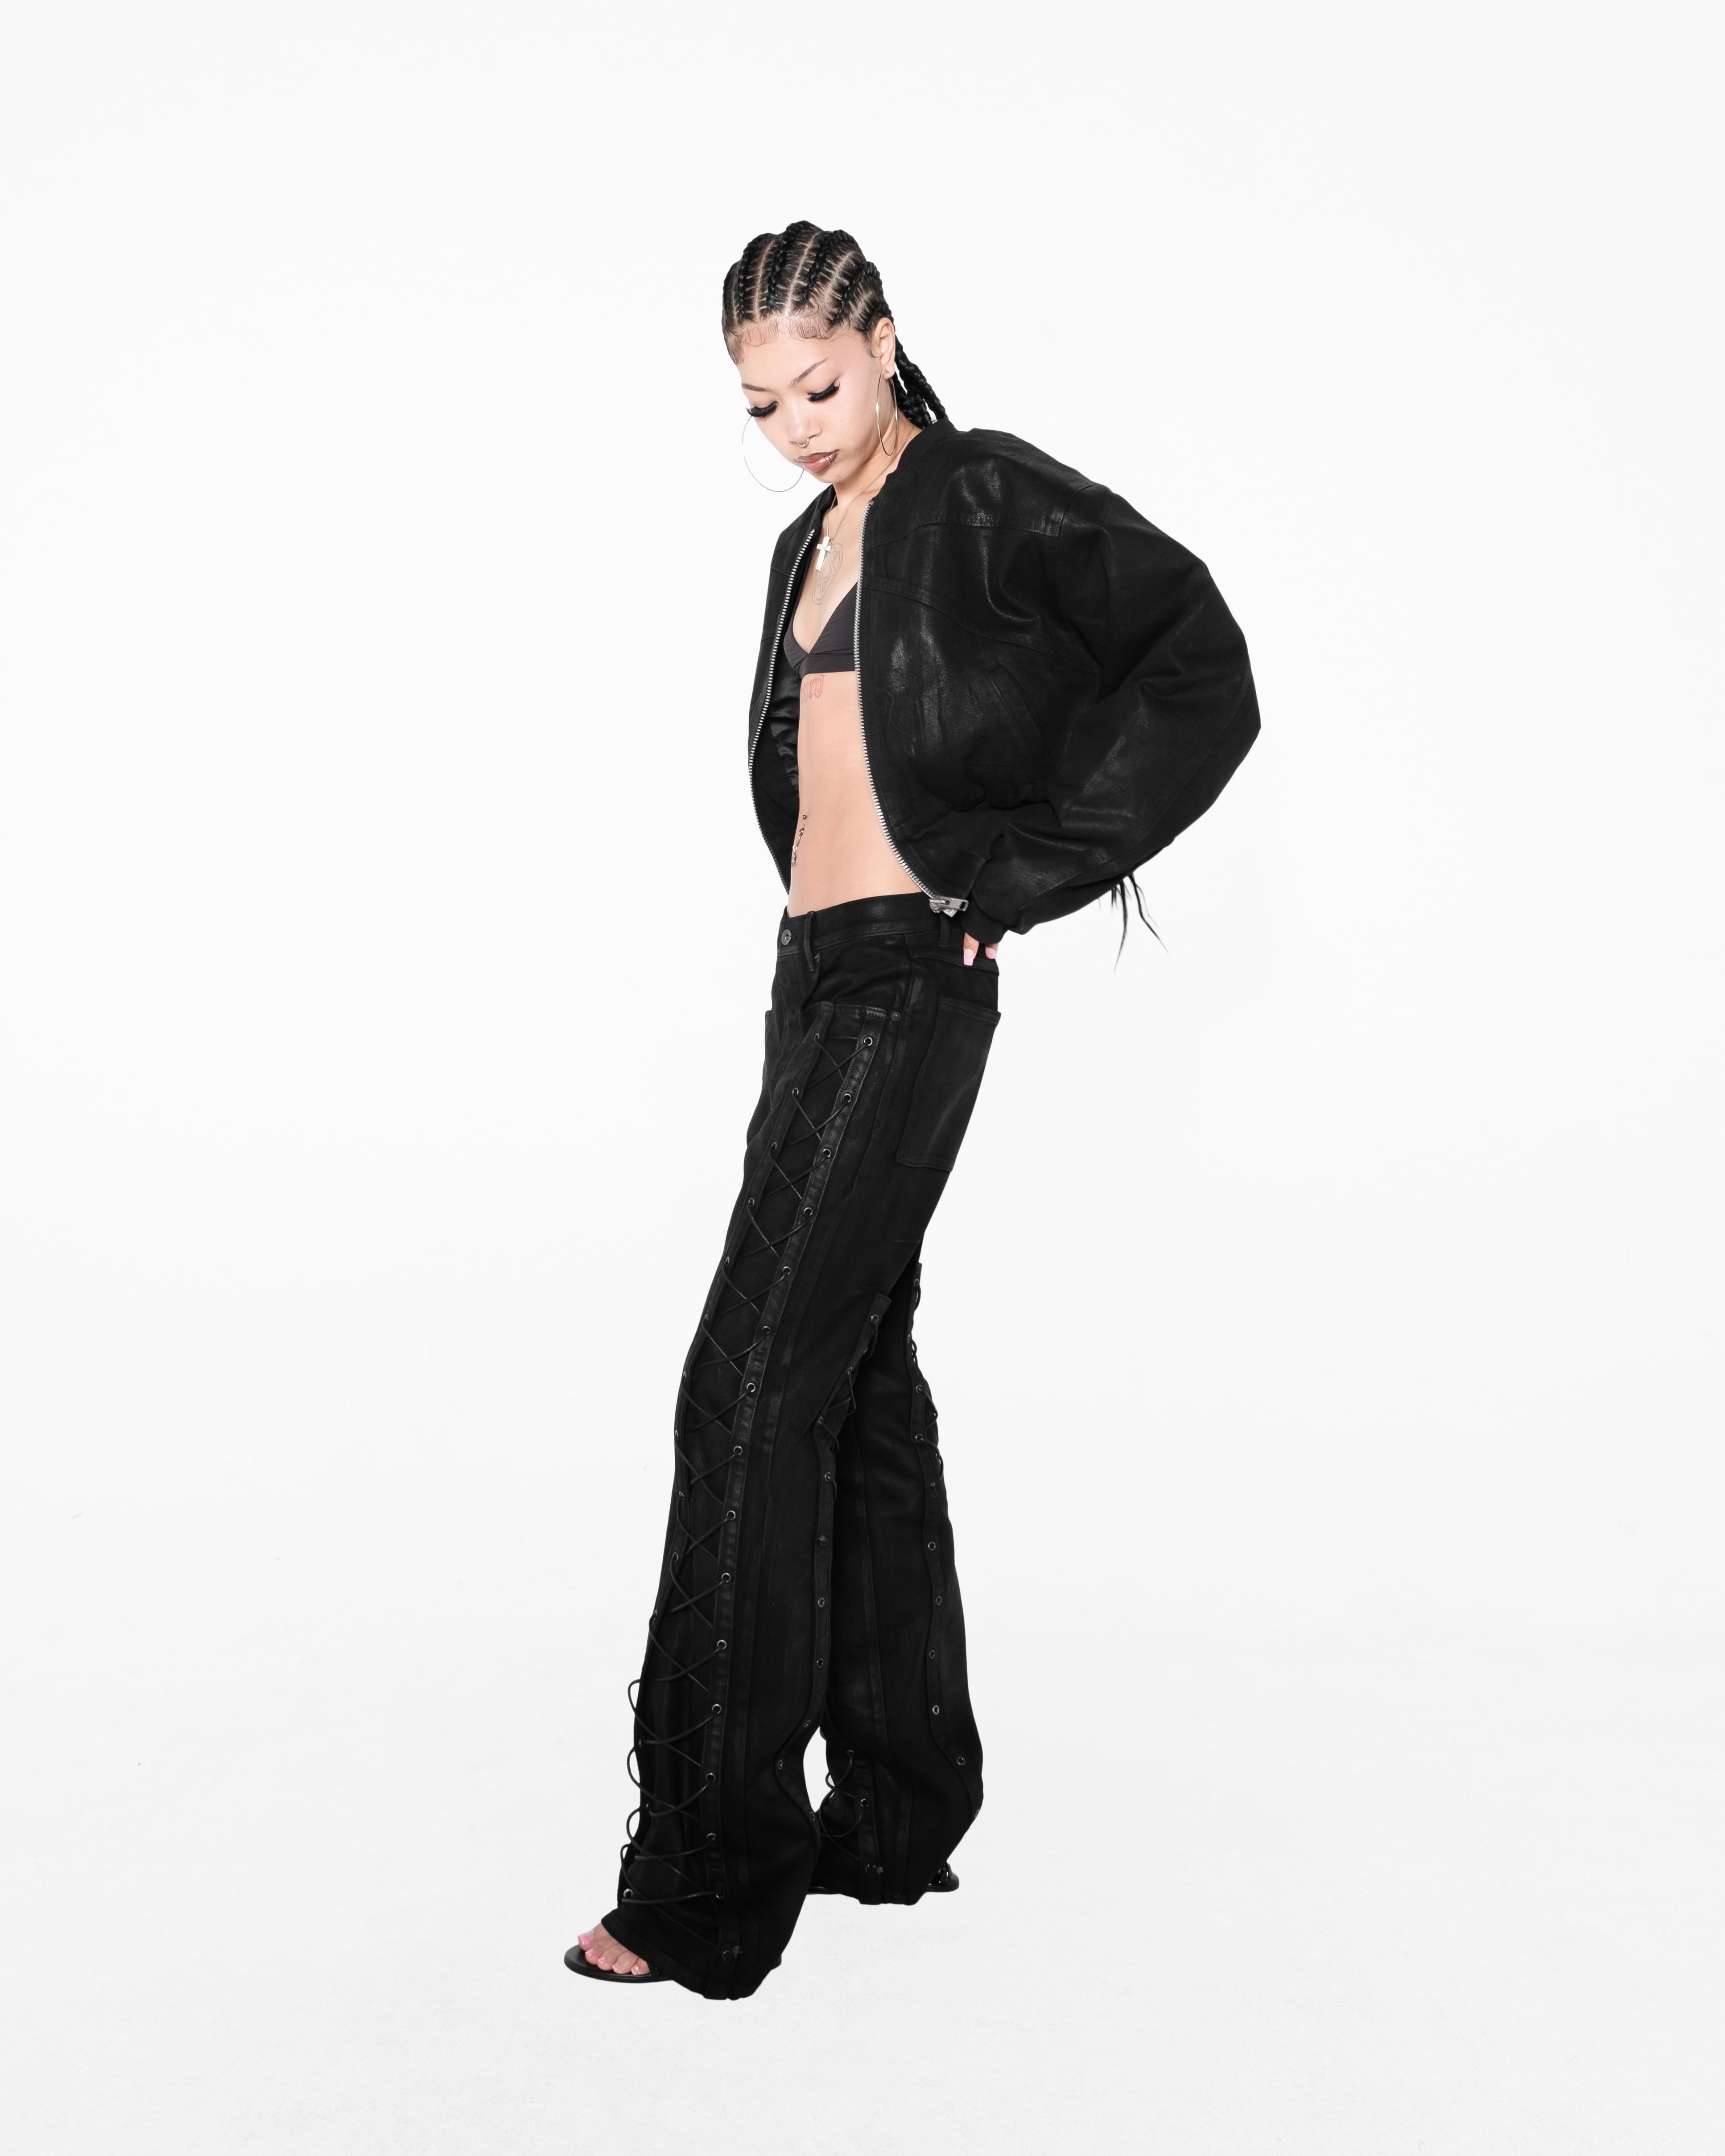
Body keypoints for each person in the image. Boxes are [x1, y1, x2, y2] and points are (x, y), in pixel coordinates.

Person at [567, 223, 1259, 1999]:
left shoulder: (980, 493)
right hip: (812, 978)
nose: (795, 424)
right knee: (852, 1378)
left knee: (744, 1386)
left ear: (882, 340)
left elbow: (1198, 661)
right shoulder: (801, 543)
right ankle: (890, 1813)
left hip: (905, 977)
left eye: (819, 383)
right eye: (760, 404)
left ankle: (708, 1880)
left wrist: (1020, 873)